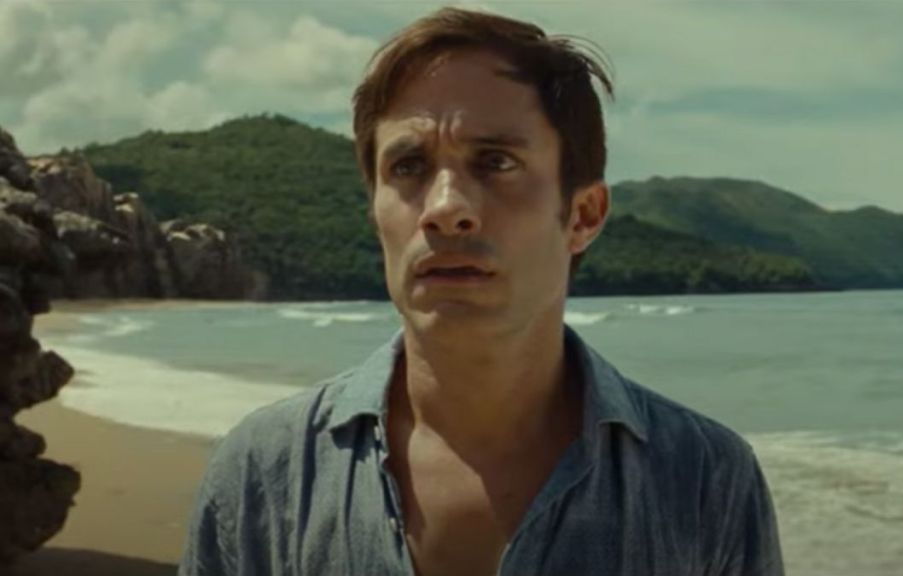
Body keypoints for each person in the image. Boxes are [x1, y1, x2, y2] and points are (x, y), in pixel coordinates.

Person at [179, 7, 784, 576]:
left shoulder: (703, 479)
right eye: (409, 167)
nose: (446, 210)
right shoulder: (265, 472)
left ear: (583, 215)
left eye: (495, 162)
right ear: (375, 210)